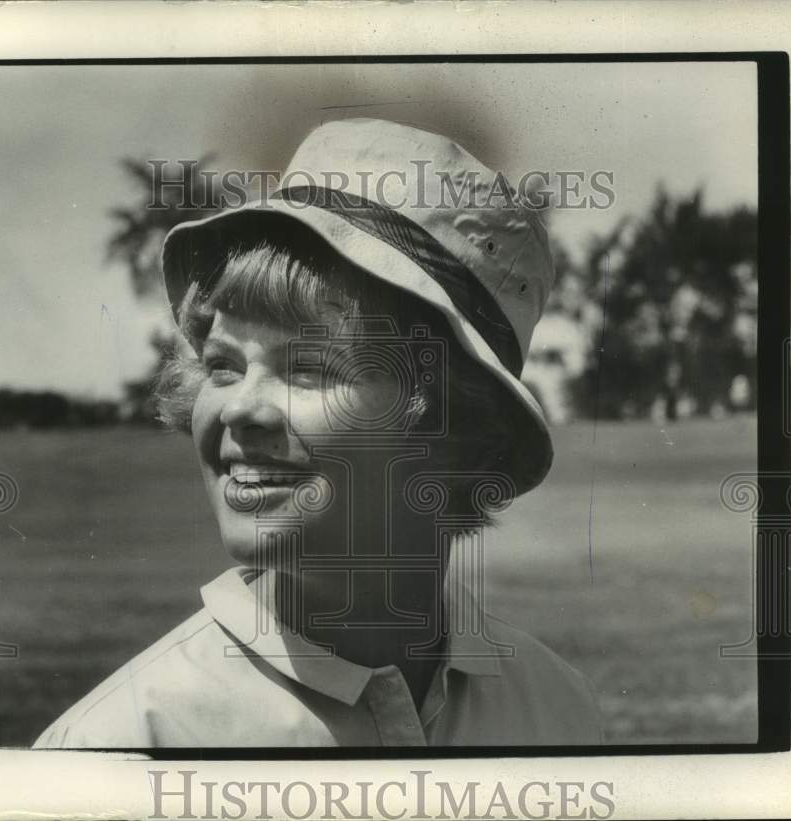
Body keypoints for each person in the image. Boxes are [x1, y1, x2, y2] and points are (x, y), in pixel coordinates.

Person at [33, 118, 602, 748]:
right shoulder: (128, 746)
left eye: (309, 368)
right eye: (223, 366)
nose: (240, 410)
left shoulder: (557, 712)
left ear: (455, 425)